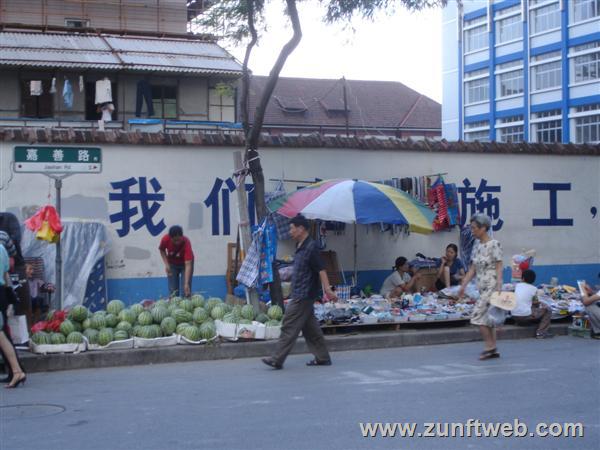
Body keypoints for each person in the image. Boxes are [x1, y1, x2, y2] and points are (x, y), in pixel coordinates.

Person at [262, 214, 338, 370]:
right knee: (311, 329)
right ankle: (322, 357)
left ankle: (277, 359)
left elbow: (321, 270)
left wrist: (328, 290)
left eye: (292, 228)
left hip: (303, 295)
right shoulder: (300, 246)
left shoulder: (312, 247)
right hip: (301, 293)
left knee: (289, 325)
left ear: (301, 229)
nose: (290, 232)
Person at [458, 214, 503, 360]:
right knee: (488, 318)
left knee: (477, 315)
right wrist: (464, 284)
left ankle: (489, 346)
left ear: (483, 228)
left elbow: (499, 265)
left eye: (474, 228)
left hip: (491, 285)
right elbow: (472, 268)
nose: (472, 231)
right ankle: (493, 348)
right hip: (482, 286)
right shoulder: (477, 246)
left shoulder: (494, 244)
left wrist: (499, 286)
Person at [0, 243, 27, 388]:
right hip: (2, 293)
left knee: (2, 335)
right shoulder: (2, 249)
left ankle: (16, 371)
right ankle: (16, 371)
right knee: (3, 335)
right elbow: (6, 272)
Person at [511, 269, 553, 339]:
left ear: (523, 278)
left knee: (527, 306)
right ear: (533, 280)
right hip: (524, 316)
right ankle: (541, 333)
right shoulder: (534, 288)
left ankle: (519, 322)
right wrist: (541, 303)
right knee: (548, 310)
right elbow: (535, 302)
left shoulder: (517, 286)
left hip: (514, 316)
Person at [159, 225, 194, 297]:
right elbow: (162, 250)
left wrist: (186, 283)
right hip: (172, 264)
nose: (177, 242)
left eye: (179, 240)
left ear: (182, 236)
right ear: (170, 237)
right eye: (174, 240)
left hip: (185, 265)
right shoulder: (165, 239)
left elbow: (188, 264)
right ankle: (174, 306)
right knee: (173, 291)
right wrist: (167, 264)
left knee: (185, 289)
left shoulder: (186, 242)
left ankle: (186, 303)